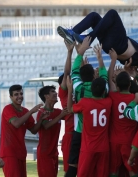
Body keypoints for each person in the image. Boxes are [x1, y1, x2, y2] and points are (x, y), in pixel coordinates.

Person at [57, 9, 138, 71]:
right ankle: (72, 33)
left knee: (113, 13)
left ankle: (88, 38)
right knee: (94, 16)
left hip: (120, 45)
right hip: (110, 45)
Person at [65, 38, 108, 177]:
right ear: (94, 76)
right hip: (99, 136)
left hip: (80, 132)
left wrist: (80, 52)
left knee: (74, 166)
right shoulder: (104, 90)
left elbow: (74, 71)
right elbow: (104, 76)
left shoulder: (78, 87)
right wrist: (100, 58)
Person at [67, 77, 112, 177]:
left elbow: (69, 109)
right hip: (104, 148)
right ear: (104, 91)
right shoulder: (108, 102)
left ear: (91, 89)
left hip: (88, 147)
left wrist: (70, 90)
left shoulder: (84, 102)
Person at [0, 84, 47, 177]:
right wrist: (31, 111)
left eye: (21, 93)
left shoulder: (25, 111)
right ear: (11, 97)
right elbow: (16, 123)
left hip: (21, 152)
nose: (20, 96)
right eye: (16, 94)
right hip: (9, 152)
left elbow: (34, 130)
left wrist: (41, 119)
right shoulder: (8, 109)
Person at [108, 48, 138, 176]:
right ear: (130, 85)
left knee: (114, 171)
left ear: (118, 86)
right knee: (132, 170)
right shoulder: (135, 98)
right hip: (130, 141)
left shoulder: (113, 96)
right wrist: (130, 73)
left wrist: (113, 60)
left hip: (114, 140)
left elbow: (109, 78)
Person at [36, 86, 68, 177]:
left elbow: (69, 115)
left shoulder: (58, 112)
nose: (56, 93)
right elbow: (46, 126)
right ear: (46, 96)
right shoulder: (41, 112)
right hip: (44, 154)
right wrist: (60, 116)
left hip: (54, 153)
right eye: (52, 92)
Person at [57, 40, 75, 173]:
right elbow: (67, 73)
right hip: (70, 136)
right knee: (70, 171)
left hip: (83, 135)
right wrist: (70, 52)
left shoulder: (79, 92)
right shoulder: (64, 93)